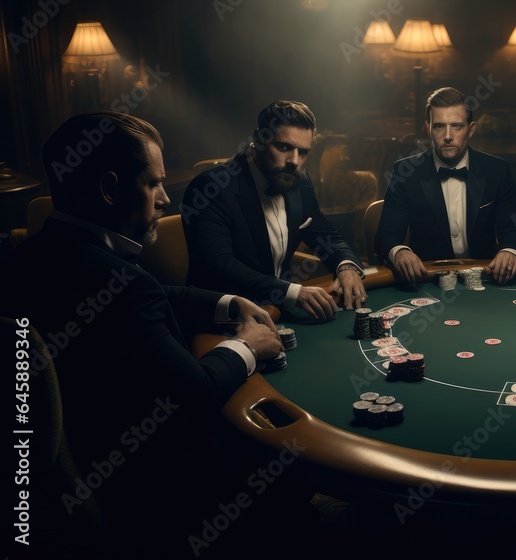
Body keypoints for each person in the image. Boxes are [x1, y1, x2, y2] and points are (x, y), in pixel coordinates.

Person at [0, 112, 321, 558]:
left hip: (61, 478)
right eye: (154, 184)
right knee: (290, 475)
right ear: (110, 188)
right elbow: (196, 389)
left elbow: (143, 298)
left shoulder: (28, 257)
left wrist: (224, 303)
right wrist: (247, 346)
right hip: (151, 489)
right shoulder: (126, 287)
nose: (166, 198)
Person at [183, 100, 367, 320]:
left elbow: (324, 235)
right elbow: (218, 265)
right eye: (284, 147)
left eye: (304, 152)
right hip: (225, 318)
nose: (295, 161)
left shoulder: (299, 181)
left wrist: (345, 265)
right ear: (258, 139)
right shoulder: (211, 188)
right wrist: (291, 292)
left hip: (278, 312)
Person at [374, 87, 516, 285]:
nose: (448, 136)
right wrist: (400, 252)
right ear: (427, 128)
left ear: (470, 129)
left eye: (456, 126)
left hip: (486, 281)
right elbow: (386, 235)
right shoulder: (406, 172)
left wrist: (509, 251)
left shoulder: (496, 170)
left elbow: (515, 230)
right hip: (428, 280)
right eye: (439, 126)